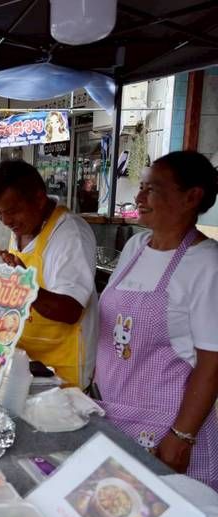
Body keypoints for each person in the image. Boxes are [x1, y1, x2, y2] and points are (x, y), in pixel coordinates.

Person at [94, 151, 218, 488]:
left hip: (167, 429)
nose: (139, 198)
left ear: (192, 197)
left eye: (152, 189)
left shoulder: (206, 264)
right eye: (141, 187)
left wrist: (182, 436)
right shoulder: (136, 247)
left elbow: (212, 363)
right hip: (115, 414)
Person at [0, 160, 97, 388]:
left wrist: (25, 286)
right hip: (23, 366)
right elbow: (16, 292)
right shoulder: (22, 226)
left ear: (39, 199)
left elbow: (71, 310)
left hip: (60, 375)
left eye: (12, 211)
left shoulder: (69, 234)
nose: (6, 221)